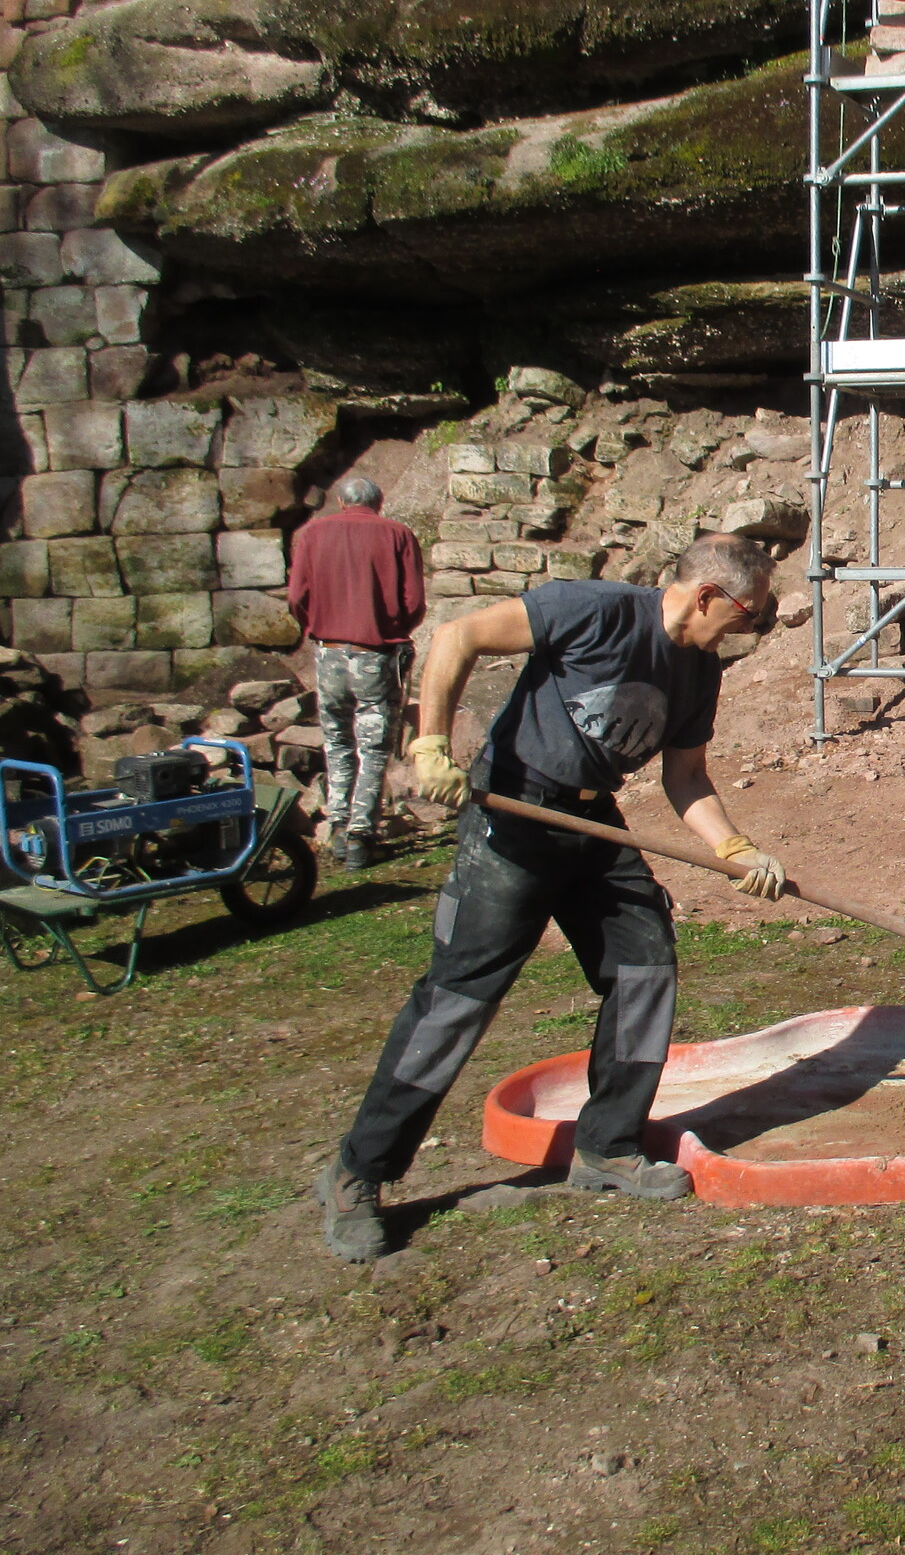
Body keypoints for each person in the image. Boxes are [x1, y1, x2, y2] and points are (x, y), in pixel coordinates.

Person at [317, 534, 787, 1263]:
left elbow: (686, 776)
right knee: (460, 996)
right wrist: (429, 746)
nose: (751, 629)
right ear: (707, 597)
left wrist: (734, 847)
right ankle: (359, 1172)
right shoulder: (591, 610)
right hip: (513, 812)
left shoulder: (699, 670)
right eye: (750, 614)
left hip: (591, 822)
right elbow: (458, 636)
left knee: (644, 966)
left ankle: (607, 1147)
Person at [286, 476, 426, 871]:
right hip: (375, 654)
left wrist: (317, 624)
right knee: (374, 746)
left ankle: (336, 826)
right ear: (379, 502)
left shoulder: (313, 533)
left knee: (336, 740)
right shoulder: (397, 535)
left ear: (341, 501)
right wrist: (391, 628)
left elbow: (296, 597)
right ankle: (361, 834)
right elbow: (414, 601)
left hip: (328, 652)